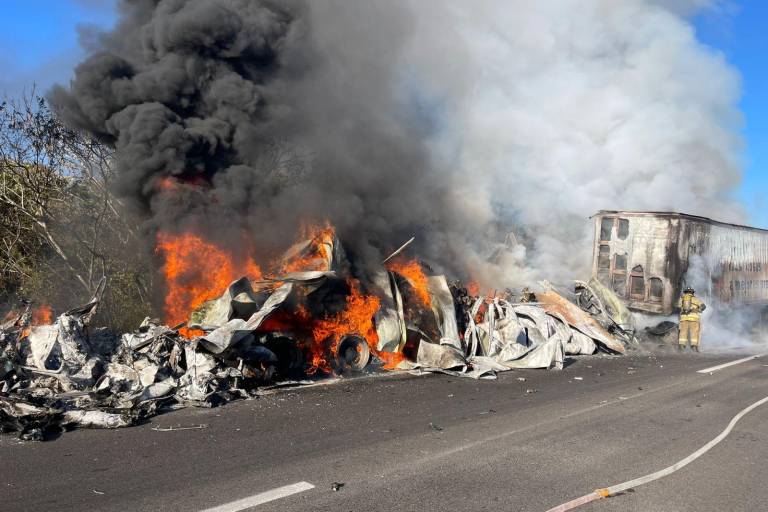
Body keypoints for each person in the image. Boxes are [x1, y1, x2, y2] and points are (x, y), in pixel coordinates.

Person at [677, 286, 706, 352]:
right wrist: (698, 310)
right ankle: (694, 347)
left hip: (684, 319)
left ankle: (681, 348)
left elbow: (678, 306)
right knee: (694, 333)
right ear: (692, 293)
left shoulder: (682, 299)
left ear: (685, 292)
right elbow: (704, 306)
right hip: (694, 320)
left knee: (683, 333)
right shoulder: (696, 299)